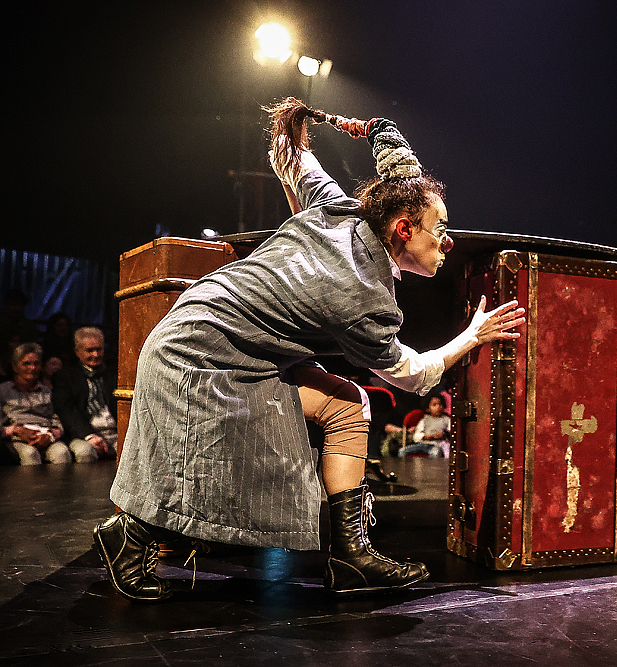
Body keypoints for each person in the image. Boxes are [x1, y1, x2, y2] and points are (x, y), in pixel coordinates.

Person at [92, 98, 525, 603]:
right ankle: (128, 537)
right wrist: (473, 335)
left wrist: (367, 131)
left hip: (224, 339)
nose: (447, 243)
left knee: (348, 405)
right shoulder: (362, 293)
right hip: (200, 356)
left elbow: (292, 157)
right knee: (222, 456)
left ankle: (350, 558)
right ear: (404, 229)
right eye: (442, 230)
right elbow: (413, 375)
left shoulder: (335, 206)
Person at [1, 342, 96, 464]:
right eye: (26, 364)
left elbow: (57, 419)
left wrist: (50, 436)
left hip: (46, 436)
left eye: (36, 363)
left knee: (61, 452)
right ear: (15, 367)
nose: (32, 368)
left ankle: (62, 484)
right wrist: (16, 430)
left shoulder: (47, 391)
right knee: (30, 454)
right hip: (17, 439)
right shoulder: (3, 391)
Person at [52, 327, 117, 460]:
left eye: (99, 349)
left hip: (115, 431)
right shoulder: (66, 376)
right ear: (77, 351)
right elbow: (67, 410)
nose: (96, 354)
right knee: (84, 452)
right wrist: (90, 435)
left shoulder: (114, 373)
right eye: (90, 350)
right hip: (84, 434)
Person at [398, 391, 450, 458]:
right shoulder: (425, 420)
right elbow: (417, 435)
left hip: (437, 444)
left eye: (440, 404)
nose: (438, 407)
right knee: (402, 451)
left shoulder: (446, 419)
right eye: (434, 405)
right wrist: (425, 436)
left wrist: (443, 435)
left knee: (435, 453)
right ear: (428, 408)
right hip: (423, 444)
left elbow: (450, 431)